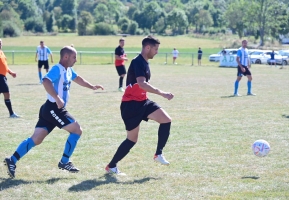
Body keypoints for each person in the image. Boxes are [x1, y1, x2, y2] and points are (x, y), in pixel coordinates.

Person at [4, 46, 104, 178]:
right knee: (77, 130)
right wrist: (57, 98)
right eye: (74, 57)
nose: (76, 60)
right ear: (66, 57)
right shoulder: (57, 69)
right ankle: (64, 161)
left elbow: (78, 78)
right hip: (53, 108)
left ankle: (12, 159)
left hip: (49, 109)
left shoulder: (68, 70)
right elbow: (45, 81)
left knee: (37, 139)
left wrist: (92, 86)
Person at [105, 36, 174, 175]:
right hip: (130, 105)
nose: (157, 52)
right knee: (132, 139)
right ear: (147, 47)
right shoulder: (138, 62)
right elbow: (142, 84)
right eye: (155, 49)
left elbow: (142, 87)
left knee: (166, 120)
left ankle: (158, 154)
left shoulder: (145, 62)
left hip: (143, 101)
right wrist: (162, 93)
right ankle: (111, 166)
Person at [0, 39, 20, 118]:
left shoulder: (1, 52)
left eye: (0, 42)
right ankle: (11, 113)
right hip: (0, 77)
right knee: (7, 93)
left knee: (7, 94)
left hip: (3, 77)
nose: (0, 44)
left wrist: (11, 72)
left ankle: (11, 113)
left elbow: (4, 65)